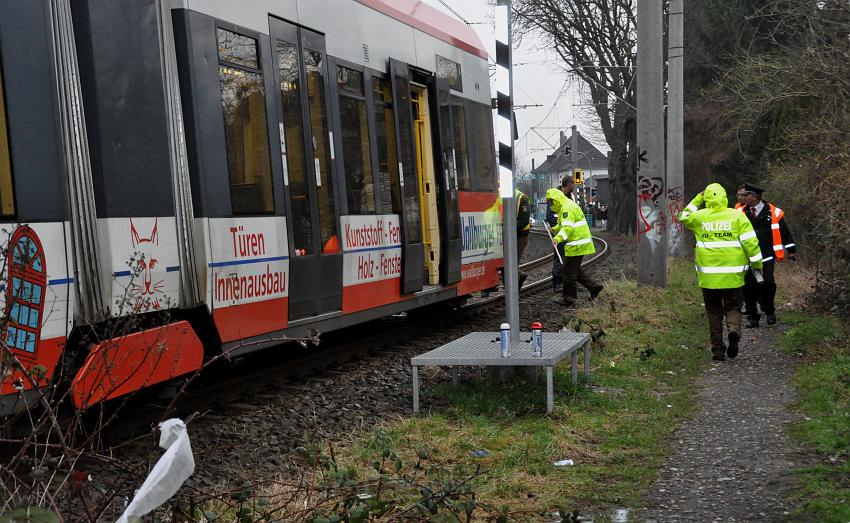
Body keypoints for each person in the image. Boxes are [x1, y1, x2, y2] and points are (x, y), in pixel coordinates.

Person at [678, 183, 764, 361]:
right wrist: (757, 265)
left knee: (714, 312)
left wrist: (698, 198)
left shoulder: (700, 217)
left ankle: (718, 350)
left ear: (707, 199)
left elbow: (683, 215)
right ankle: (733, 330)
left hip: (709, 278)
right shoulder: (737, 216)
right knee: (733, 307)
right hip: (733, 276)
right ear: (725, 197)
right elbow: (751, 243)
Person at [734, 183, 797, 327]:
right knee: (749, 287)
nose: (742, 197)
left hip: (767, 254)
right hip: (747, 256)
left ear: (755, 196)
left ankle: (769, 311)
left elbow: (785, 232)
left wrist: (791, 250)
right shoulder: (740, 212)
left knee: (768, 283)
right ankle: (753, 317)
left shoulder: (773, 212)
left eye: (746, 195)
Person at [546, 175, 603, 307]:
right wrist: (554, 228)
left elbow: (568, 228)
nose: (552, 205)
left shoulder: (566, 208)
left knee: (568, 273)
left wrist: (557, 238)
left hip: (577, 244)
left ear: (557, 199)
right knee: (574, 270)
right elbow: (563, 224)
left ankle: (570, 299)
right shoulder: (566, 205)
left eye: (552, 202)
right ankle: (594, 287)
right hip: (579, 243)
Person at [515, 188, 531, 288]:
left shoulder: (521, 198)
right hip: (501, 235)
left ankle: (513, 294)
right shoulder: (498, 194)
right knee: (505, 265)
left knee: (511, 264)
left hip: (519, 236)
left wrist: (508, 229)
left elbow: (524, 220)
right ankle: (518, 277)